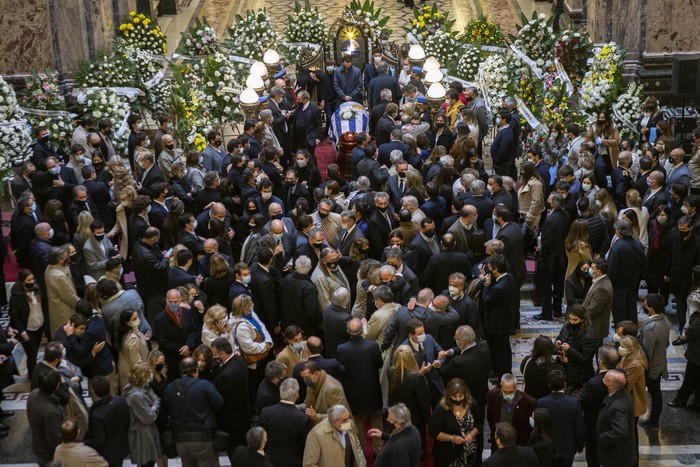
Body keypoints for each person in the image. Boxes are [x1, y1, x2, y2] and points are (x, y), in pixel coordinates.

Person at [163, 357, 224, 467]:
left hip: (180, 440)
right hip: (204, 439)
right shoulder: (204, 385)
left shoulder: (170, 388)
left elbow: (167, 409)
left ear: (180, 371)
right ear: (196, 370)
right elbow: (219, 404)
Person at [337, 318, 384, 454]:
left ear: (348, 332)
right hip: (372, 390)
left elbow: (341, 368)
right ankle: (378, 451)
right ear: (362, 331)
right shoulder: (373, 346)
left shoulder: (341, 349)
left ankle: (360, 453)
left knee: (356, 425)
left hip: (353, 393)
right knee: (376, 421)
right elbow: (379, 364)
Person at [578, 345, 620, 467]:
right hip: (613, 420)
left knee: (593, 453)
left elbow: (582, 402)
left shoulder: (595, 383)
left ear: (600, 362)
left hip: (595, 422)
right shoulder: (620, 375)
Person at [210, 337, 252, 459]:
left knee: (235, 453)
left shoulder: (226, 375)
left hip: (232, 421)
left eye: (215, 355)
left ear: (222, 354)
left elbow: (220, 399)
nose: (214, 357)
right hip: (243, 414)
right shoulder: (239, 360)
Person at [429, 378, 483, 467]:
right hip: (448, 454)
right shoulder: (441, 409)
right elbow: (433, 431)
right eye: (454, 396)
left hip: (469, 452)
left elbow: (479, 424)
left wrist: (472, 434)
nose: (458, 399)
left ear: (465, 394)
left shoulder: (472, 405)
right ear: (448, 395)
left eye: (461, 396)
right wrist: (451, 438)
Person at [478, 254, 517, 379]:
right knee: (505, 348)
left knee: (498, 350)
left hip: (496, 323)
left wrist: (486, 285)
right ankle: (505, 370)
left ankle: (502, 374)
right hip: (505, 319)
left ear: (495, 269)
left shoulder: (499, 288)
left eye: (490, 268)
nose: (489, 270)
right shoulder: (509, 277)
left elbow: (486, 300)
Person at [260, 378, 313, 467]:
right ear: (297, 395)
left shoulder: (266, 412)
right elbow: (307, 447)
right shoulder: (303, 419)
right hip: (293, 463)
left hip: (270, 461)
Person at [536, 369, 584, 467]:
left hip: (548, 447)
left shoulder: (541, 402)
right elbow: (579, 427)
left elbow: (538, 427)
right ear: (565, 384)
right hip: (568, 448)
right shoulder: (574, 402)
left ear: (549, 384)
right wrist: (580, 446)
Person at [231, 294, 274, 401]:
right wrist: (265, 346)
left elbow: (262, 326)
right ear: (244, 308)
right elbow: (248, 347)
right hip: (255, 361)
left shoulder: (251, 314)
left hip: (263, 353)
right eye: (250, 303)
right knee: (256, 385)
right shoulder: (241, 326)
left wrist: (268, 341)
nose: (252, 304)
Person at [535, 192, 571, 321]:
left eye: (550, 199)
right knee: (558, 285)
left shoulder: (550, 220)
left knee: (546, 287)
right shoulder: (566, 216)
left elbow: (546, 242)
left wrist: (541, 252)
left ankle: (546, 313)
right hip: (562, 257)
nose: (548, 200)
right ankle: (557, 309)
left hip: (550, 259)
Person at [637, 293, 670, 430]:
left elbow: (646, 352)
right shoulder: (665, 321)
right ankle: (654, 420)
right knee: (656, 391)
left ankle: (654, 420)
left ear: (650, 309)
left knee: (655, 392)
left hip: (651, 367)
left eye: (644, 304)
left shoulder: (651, 328)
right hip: (660, 362)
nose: (643, 306)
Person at [153, 289, 199, 383]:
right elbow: (163, 342)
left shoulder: (186, 312)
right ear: (166, 300)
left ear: (180, 300)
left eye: (176, 301)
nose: (173, 304)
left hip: (189, 353)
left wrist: (188, 346)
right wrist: (182, 349)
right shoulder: (160, 319)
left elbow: (193, 330)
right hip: (173, 358)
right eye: (170, 301)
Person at [83, 375, 130, 467]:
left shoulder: (97, 414)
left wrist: (85, 443)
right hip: (122, 446)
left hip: (108, 453)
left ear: (93, 391)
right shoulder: (120, 400)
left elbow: (99, 440)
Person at [302, 403, 366, 467]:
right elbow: (309, 464)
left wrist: (362, 464)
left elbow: (357, 447)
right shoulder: (316, 434)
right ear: (334, 422)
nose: (348, 422)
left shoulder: (349, 424)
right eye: (344, 420)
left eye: (348, 417)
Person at [122, 362, 161, 467]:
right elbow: (148, 417)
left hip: (148, 432)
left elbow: (156, 399)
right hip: (142, 435)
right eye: (149, 373)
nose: (151, 375)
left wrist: (154, 406)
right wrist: (155, 407)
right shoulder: (136, 396)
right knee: (147, 463)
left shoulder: (145, 387)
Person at [607, 220, 645, 325]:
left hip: (619, 285)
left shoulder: (618, 247)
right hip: (633, 282)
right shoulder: (638, 244)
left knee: (619, 311)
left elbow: (612, 269)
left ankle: (621, 337)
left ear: (619, 231)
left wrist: (610, 284)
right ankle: (632, 333)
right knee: (631, 308)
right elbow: (643, 264)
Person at [597, 370, 637, 467]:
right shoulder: (623, 393)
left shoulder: (617, 407)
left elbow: (621, 431)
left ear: (611, 387)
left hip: (616, 457)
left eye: (604, 381)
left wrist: (603, 437)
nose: (602, 381)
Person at [486, 373, 535, 449]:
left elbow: (529, 427)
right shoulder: (492, 395)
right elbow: (490, 416)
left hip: (518, 443)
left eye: (510, 392)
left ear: (516, 387)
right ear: (501, 385)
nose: (507, 394)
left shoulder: (528, 401)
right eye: (504, 391)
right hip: (498, 442)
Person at [618, 335, 647, 457]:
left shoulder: (635, 364)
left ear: (630, 348)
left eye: (622, 346)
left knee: (631, 435)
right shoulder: (628, 357)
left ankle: (633, 460)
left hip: (632, 402)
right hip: (628, 400)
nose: (620, 348)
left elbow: (626, 385)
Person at [27, 371, 63, 466]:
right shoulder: (50, 411)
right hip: (48, 452)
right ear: (56, 387)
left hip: (38, 443)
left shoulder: (33, 394)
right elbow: (54, 438)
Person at [369, 403, 422, 467]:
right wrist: (382, 435)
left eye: (389, 419)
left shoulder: (400, 448)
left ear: (398, 424)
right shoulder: (412, 429)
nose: (387, 419)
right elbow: (398, 438)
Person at [519, 336, 565, 401]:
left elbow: (522, 370)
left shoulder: (526, 361)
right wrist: (564, 363)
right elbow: (566, 380)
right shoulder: (556, 368)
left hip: (529, 399)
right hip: (547, 401)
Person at [117, 309, 149, 392]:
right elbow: (136, 363)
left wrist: (143, 338)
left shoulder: (126, 333)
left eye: (137, 317)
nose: (137, 320)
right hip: (135, 375)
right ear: (127, 322)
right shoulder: (132, 339)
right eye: (134, 319)